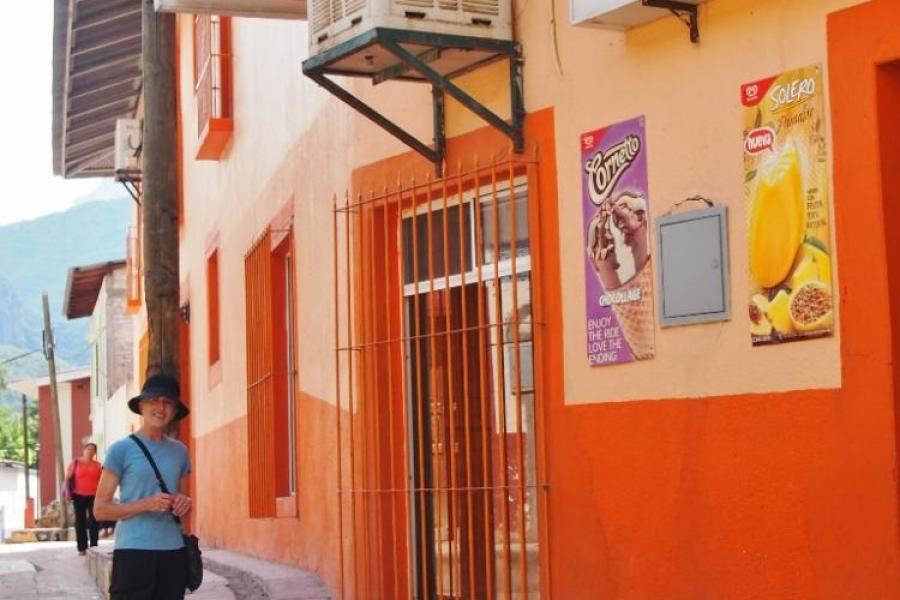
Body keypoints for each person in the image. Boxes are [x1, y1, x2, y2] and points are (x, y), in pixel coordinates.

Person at [94, 373, 193, 600]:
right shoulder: (121, 450)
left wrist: (185, 503)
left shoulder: (181, 451)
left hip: (173, 553)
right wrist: (145, 504)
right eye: (153, 400)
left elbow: (184, 504)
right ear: (141, 405)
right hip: (133, 553)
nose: (161, 407)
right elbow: (100, 510)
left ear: (175, 410)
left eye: (168, 402)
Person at [65, 442, 102, 555]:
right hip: (78, 494)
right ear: (84, 450)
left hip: (94, 496)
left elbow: (102, 481)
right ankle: (82, 548)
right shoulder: (75, 463)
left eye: (92, 450)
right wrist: (68, 493)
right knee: (80, 522)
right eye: (88, 449)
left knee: (93, 521)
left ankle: (94, 546)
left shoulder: (98, 465)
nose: (90, 451)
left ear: (95, 452)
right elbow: (67, 478)